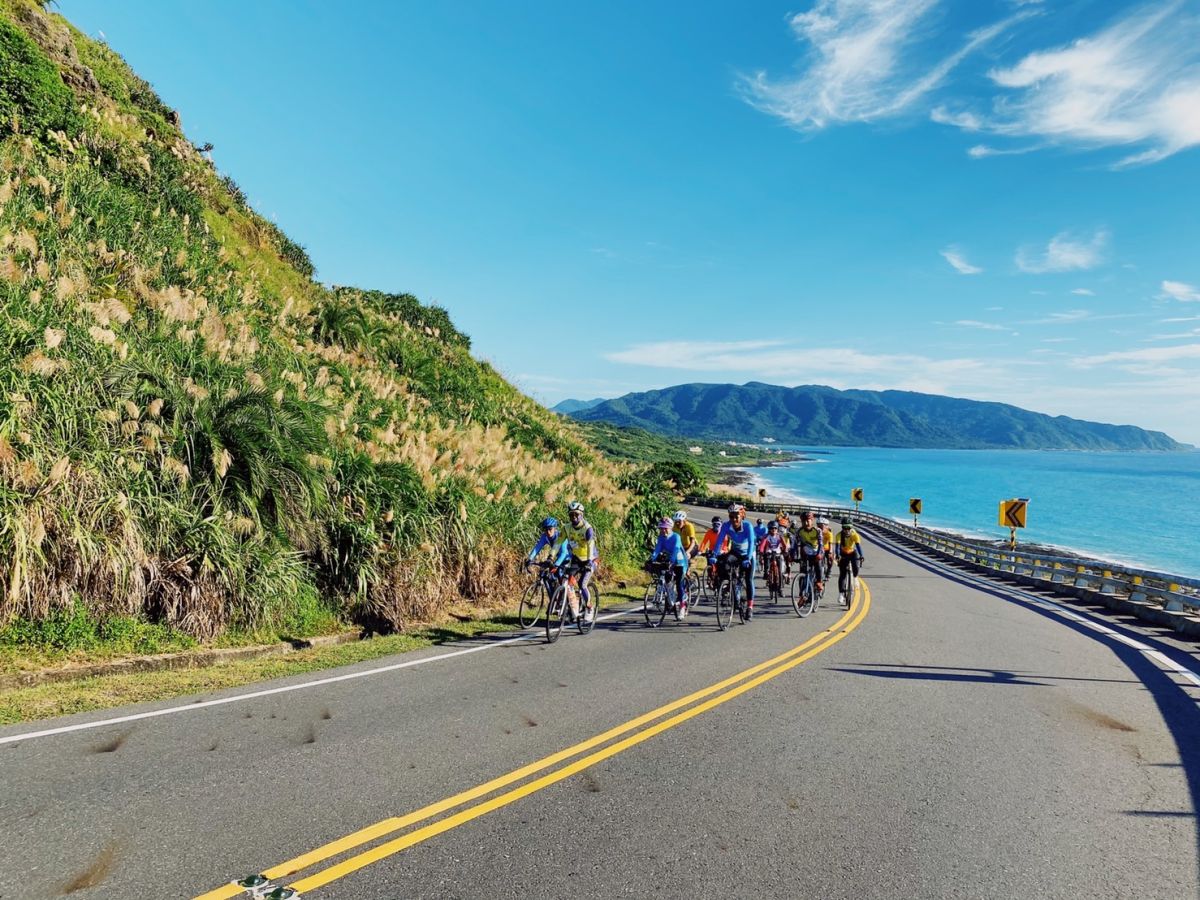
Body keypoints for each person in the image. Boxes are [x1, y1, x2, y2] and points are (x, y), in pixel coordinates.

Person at [555, 500, 598, 624]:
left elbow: (590, 545)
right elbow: (558, 543)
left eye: (576, 514)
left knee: (582, 583)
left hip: (590, 559)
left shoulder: (587, 528)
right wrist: (551, 557)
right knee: (567, 580)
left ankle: (589, 607)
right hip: (576, 558)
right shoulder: (567, 528)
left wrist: (590, 562)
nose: (573, 517)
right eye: (571, 515)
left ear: (581, 515)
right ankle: (572, 609)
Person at [714, 503, 757, 620]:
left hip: (748, 554)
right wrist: (714, 554)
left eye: (736, 516)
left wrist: (748, 558)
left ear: (742, 516)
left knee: (748, 579)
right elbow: (719, 541)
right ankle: (729, 589)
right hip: (735, 552)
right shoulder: (726, 526)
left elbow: (752, 544)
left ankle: (750, 607)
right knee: (723, 563)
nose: (734, 519)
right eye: (731, 516)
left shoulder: (748, 526)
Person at [647, 516, 690, 617]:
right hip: (669, 561)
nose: (663, 530)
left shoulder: (676, 537)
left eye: (665, 528)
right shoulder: (661, 537)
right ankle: (670, 598)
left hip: (680, 561)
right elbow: (657, 549)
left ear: (670, 528)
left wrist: (671, 561)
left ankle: (682, 606)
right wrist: (651, 559)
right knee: (667, 580)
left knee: (679, 584)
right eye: (661, 528)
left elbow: (675, 549)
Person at [793, 510, 825, 595]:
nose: (806, 523)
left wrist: (819, 554)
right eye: (804, 521)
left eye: (808, 520)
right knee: (803, 572)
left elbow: (821, 544)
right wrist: (792, 555)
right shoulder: (799, 531)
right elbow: (794, 545)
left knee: (818, 564)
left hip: (817, 551)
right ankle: (802, 592)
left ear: (812, 520)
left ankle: (819, 582)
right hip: (806, 553)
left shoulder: (817, 530)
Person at [837, 518, 865, 605]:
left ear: (851, 528)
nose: (846, 530)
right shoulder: (839, 535)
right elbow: (837, 547)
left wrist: (862, 555)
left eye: (848, 528)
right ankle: (841, 593)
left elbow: (858, 546)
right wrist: (837, 555)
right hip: (843, 553)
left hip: (853, 553)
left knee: (856, 568)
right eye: (844, 528)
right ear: (842, 528)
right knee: (842, 574)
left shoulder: (855, 535)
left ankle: (855, 577)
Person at [757, 520, 790, 586]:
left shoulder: (780, 536)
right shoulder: (766, 536)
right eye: (772, 528)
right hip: (769, 553)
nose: (774, 530)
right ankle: (766, 573)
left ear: (777, 529)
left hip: (778, 553)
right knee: (766, 562)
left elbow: (784, 545)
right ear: (769, 529)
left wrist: (785, 550)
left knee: (780, 572)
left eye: (775, 528)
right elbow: (762, 546)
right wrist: (761, 553)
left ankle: (780, 589)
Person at [697, 515, 728, 586]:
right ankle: (710, 576)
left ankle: (723, 580)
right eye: (714, 524)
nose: (716, 526)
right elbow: (704, 542)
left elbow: (726, 544)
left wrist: (723, 550)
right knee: (709, 564)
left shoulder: (723, 533)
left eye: (718, 524)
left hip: (722, 551)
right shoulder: (709, 532)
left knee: (722, 567)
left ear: (721, 525)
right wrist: (700, 550)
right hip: (712, 550)